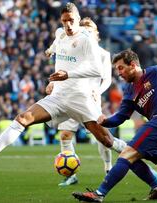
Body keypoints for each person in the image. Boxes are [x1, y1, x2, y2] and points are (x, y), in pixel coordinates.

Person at [0, 3, 126, 169]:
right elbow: (57, 45)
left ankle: (143, 165)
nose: (68, 25)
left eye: (71, 20)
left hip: (80, 99)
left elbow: (97, 70)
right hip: (58, 97)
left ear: (77, 19)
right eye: (64, 21)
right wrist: (50, 54)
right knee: (23, 118)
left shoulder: (87, 40)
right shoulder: (60, 33)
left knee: (106, 140)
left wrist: (68, 75)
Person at [72, 49, 157, 202]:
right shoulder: (129, 91)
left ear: (133, 65)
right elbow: (120, 117)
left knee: (126, 154)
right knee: (129, 158)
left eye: (121, 68)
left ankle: (99, 195)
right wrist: (104, 121)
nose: (118, 73)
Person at [45, 17, 113, 186]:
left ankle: (108, 168)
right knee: (65, 135)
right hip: (71, 96)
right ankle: (70, 175)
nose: (86, 34)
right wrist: (53, 83)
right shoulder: (73, 50)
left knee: (101, 136)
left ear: (96, 34)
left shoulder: (103, 55)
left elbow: (107, 79)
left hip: (90, 99)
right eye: (84, 31)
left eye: (89, 31)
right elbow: (65, 71)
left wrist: (98, 90)